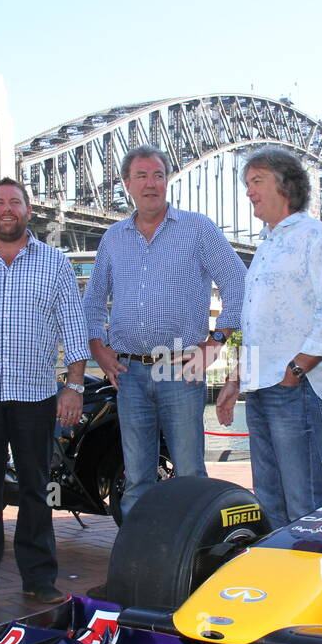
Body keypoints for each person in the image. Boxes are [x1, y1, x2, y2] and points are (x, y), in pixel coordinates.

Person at [0, 178, 90, 606]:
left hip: (35, 395)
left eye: (15, 202)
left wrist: (74, 386)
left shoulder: (54, 263)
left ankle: (39, 578)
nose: (6, 208)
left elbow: (74, 330)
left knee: (36, 489)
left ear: (29, 209)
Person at [83, 144, 246, 520]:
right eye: (141, 176)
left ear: (167, 180)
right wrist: (99, 348)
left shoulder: (197, 228)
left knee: (189, 474)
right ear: (127, 184)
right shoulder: (113, 238)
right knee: (136, 479)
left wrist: (216, 341)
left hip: (179, 368)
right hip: (129, 373)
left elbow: (238, 280)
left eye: (158, 175)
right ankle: (138, 565)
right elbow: (92, 301)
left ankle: (191, 560)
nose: (151, 184)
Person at [217, 147, 322, 526]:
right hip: (261, 386)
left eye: (257, 182)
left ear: (286, 187)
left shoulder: (316, 237)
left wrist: (296, 370)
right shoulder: (267, 246)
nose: (249, 192)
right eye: (247, 184)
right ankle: (281, 571)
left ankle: (311, 574)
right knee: (270, 495)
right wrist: (235, 380)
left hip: (292, 386)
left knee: (302, 496)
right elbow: (255, 323)